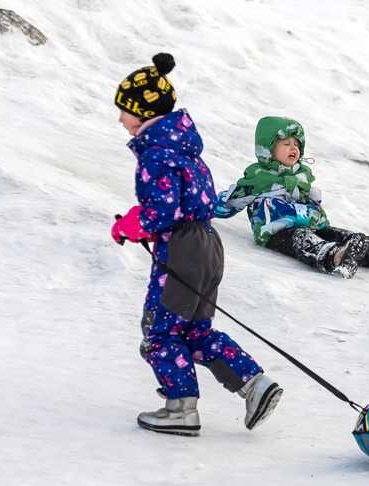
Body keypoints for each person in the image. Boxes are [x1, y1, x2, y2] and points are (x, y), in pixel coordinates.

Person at [110, 53, 282, 436]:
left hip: (182, 249)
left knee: (161, 332)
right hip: (208, 244)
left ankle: (181, 410)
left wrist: (130, 224)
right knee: (194, 332)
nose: (121, 119)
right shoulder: (186, 151)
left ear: (142, 112)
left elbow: (163, 211)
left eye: (124, 110)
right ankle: (255, 384)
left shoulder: (156, 154)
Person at [214, 116, 369, 278]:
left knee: (342, 236)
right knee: (304, 239)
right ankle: (334, 257)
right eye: (286, 144)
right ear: (268, 149)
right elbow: (228, 203)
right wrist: (202, 206)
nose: (294, 148)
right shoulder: (258, 179)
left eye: (296, 144)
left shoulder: (300, 176)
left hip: (309, 223)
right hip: (278, 231)